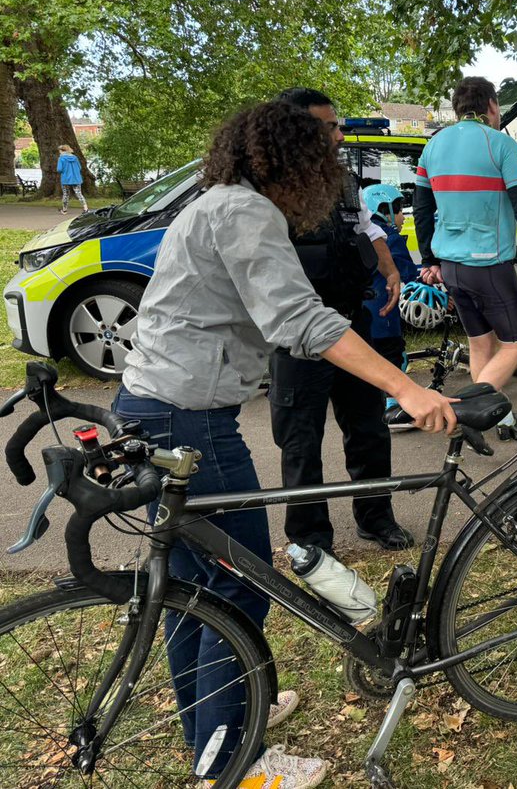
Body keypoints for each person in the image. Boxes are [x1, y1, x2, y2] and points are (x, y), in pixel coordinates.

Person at [115, 101, 456, 787]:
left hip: (152, 403)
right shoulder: (246, 214)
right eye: (322, 154)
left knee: (193, 585)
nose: (329, 169)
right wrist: (408, 388)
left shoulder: (216, 202)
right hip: (191, 419)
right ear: (292, 160)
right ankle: (233, 759)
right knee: (239, 587)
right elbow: (300, 321)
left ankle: (216, 724)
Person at [269, 88, 416, 554]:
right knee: (300, 442)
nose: (339, 133)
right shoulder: (267, 190)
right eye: (329, 126)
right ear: (297, 132)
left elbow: (366, 227)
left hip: (352, 324)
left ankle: (376, 518)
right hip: (299, 338)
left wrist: (390, 268)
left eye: (337, 124)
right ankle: (310, 539)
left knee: (369, 429)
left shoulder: (343, 179)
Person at [412, 76, 517, 431]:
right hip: (489, 265)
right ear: (492, 107)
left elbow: (420, 208)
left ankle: (500, 419)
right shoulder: (502, 145)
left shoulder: (433, 146)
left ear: (459, 108)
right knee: (516, 344)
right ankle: (468, 409)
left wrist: (429, 261)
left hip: (452, 267)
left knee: (481, 345)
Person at [360, 184, 422, 427]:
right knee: (393, 358)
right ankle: (392, 408)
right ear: (383, 209)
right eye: (398, 209)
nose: (403, 216)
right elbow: (407, 273)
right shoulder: (390, 239)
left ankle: (372, 403)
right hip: (385, 315)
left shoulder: (360, 234)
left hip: (363, 314)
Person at [56, 143, 88, 214]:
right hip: (76, 178)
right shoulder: (75, 157)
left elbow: (59, 169)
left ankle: (64, 210)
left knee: (66, 194)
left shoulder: (61, 158)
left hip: (66, 179)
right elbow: (79, 167)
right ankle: (85, 208)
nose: (59, 152)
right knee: (79, 193)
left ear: (62, 151)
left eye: (59, 151)